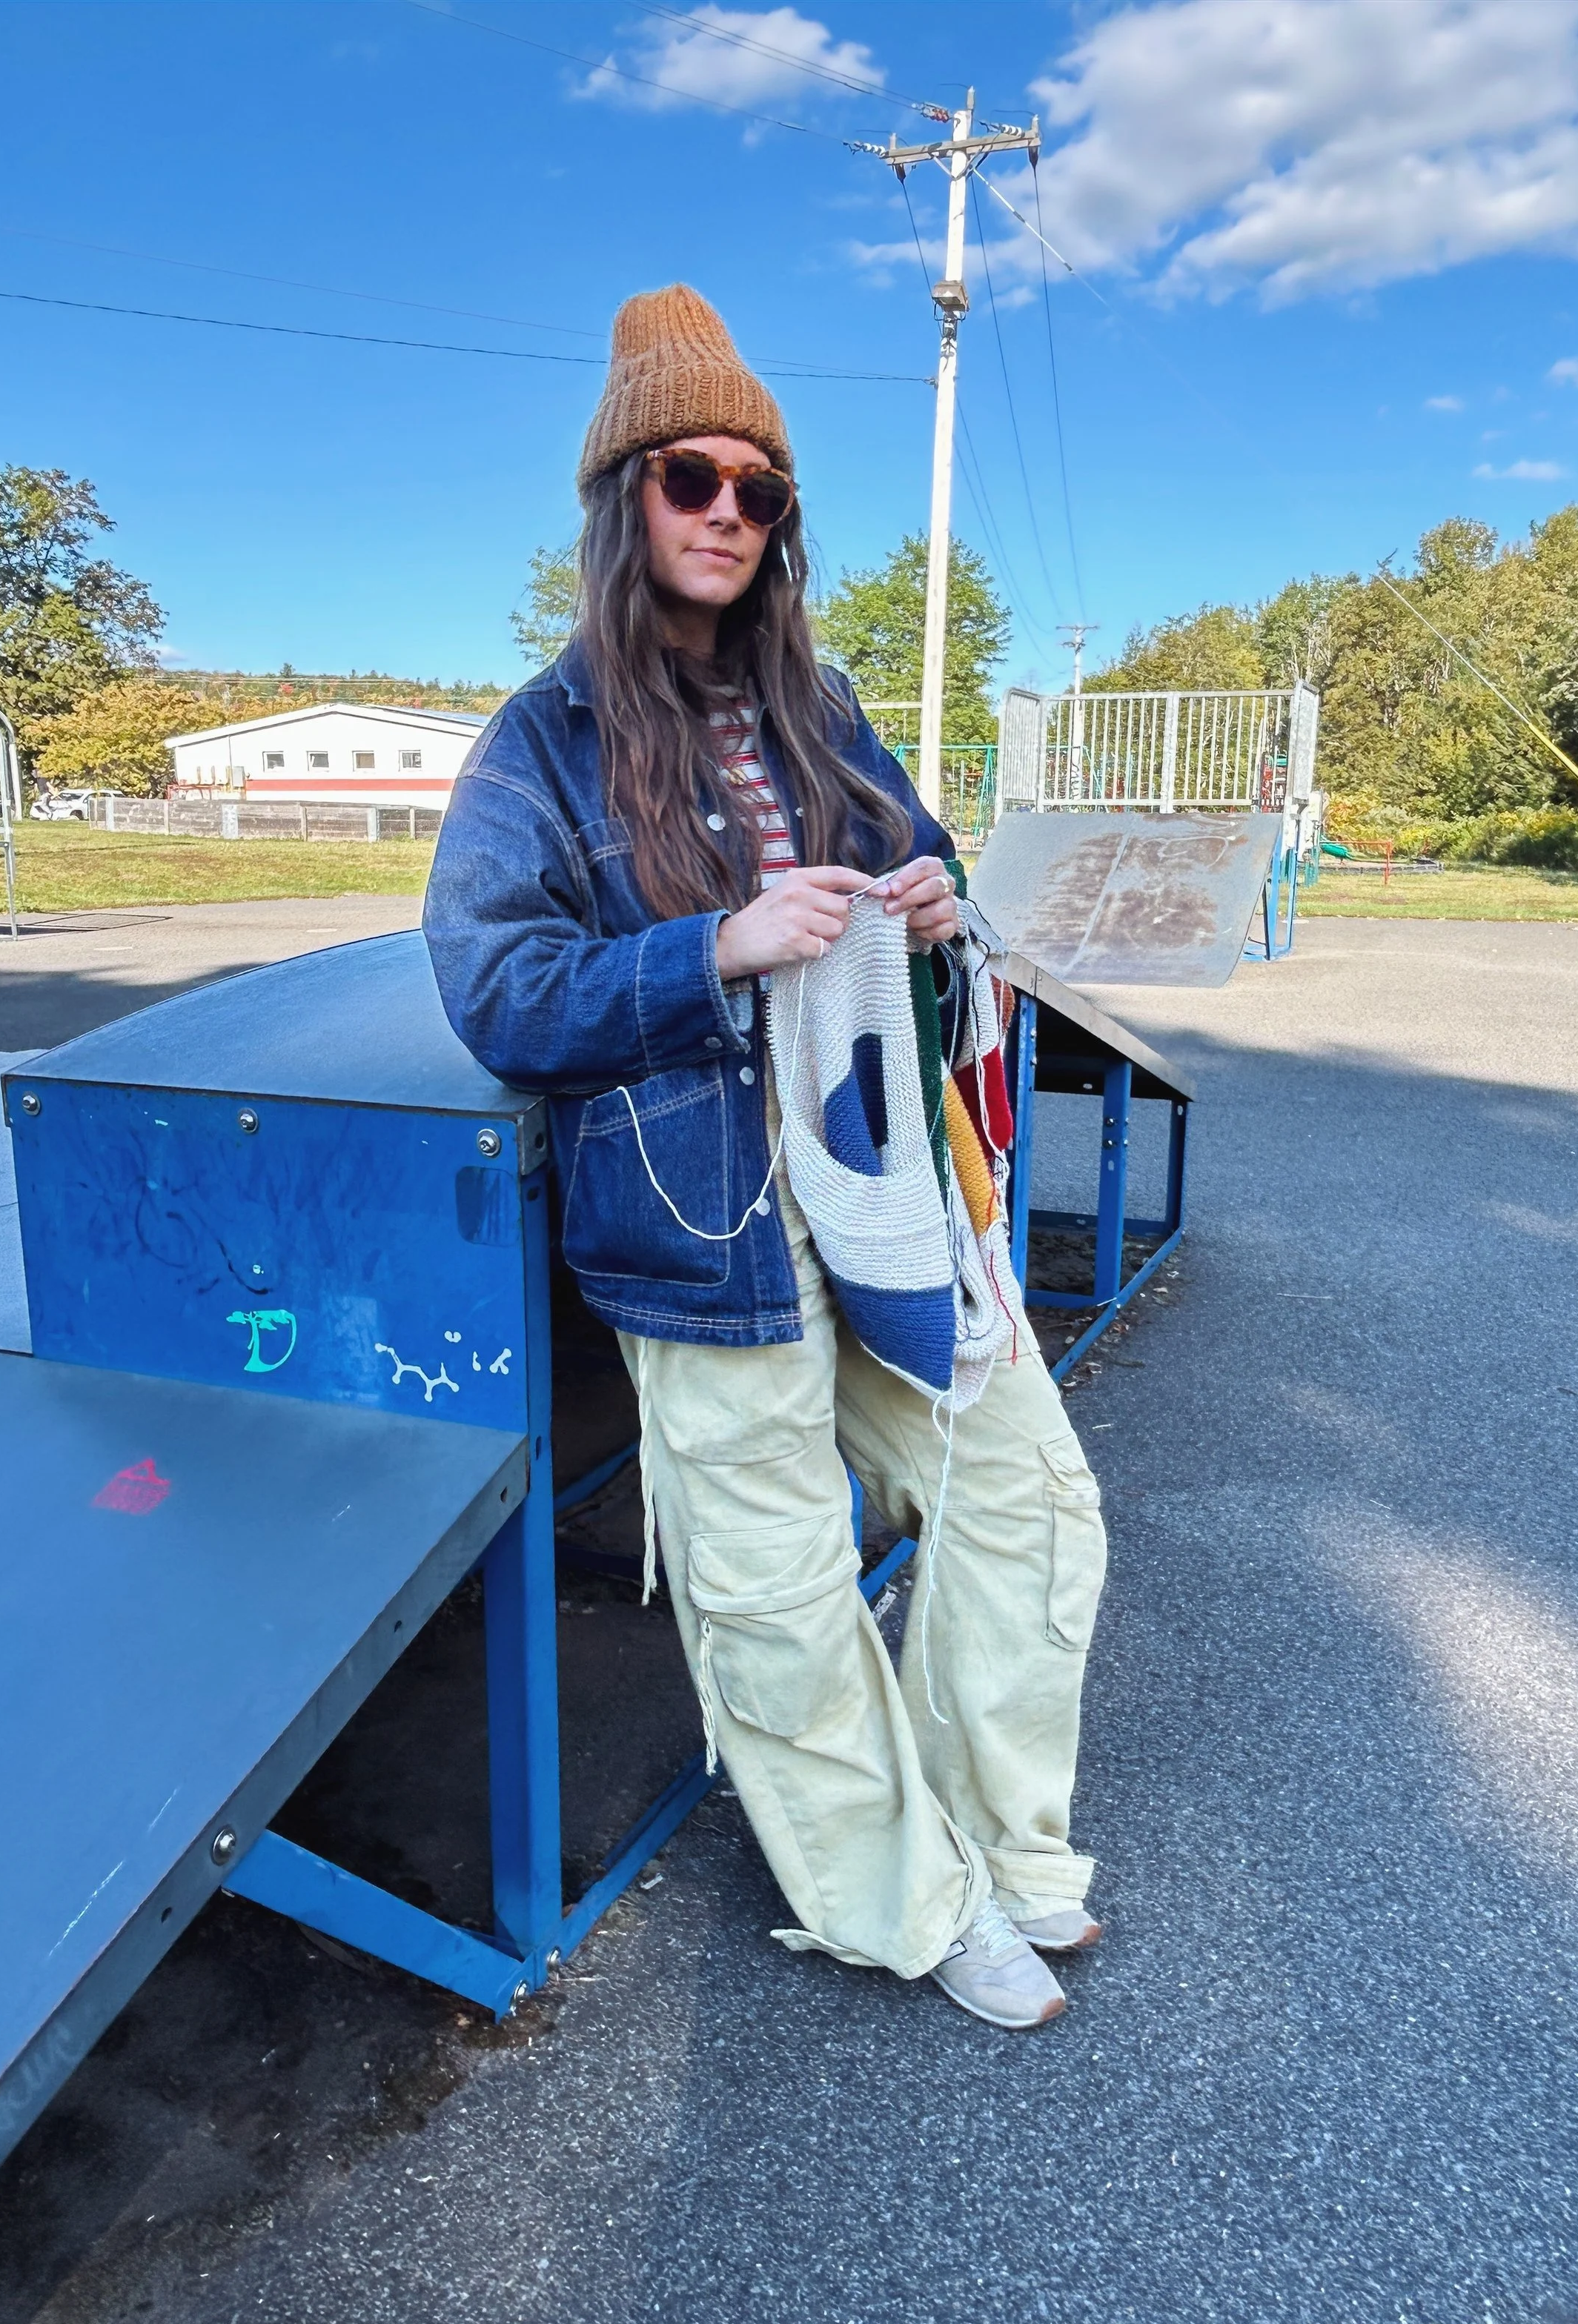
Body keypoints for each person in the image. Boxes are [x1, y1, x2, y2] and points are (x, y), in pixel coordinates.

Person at [425, 285, 1107, 2031]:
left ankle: (1000, 1839)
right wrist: (711, 949)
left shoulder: (820, 702)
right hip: (695, 1219)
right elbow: (494, 988)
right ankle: (901, 1903)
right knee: (779, 1596)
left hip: (877, 1189)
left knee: (1025, 1497)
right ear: (622, 497)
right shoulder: (541, 740)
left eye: (759, 489)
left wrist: (938, 901)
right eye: (689, 476)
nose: (728, 509)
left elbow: (923, 851)